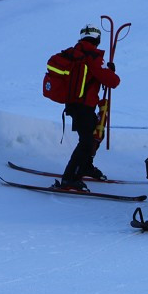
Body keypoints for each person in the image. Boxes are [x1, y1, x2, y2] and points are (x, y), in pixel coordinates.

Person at [56, 24, 120, 191]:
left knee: (96, 135)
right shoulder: (91, 56)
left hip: (76, 104)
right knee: (87, 142)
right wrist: (111, 73)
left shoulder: (75, 53)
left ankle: (85, 166)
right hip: (83, 106)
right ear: (97, 39)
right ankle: (69, 178)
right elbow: (112, 82)